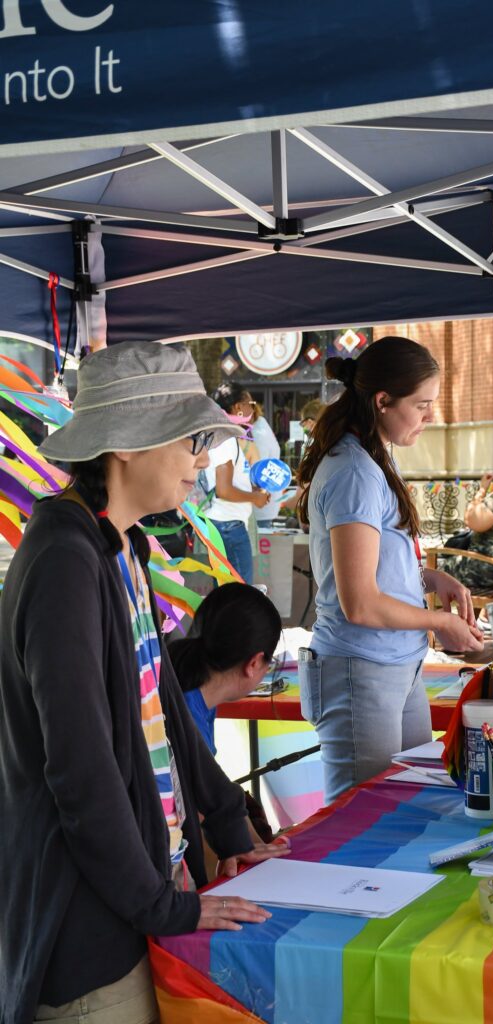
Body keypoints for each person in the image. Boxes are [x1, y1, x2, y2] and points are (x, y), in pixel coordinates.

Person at [0, 343, 287, 1024]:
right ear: (125, 444)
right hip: (87, 923)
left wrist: (232, 825)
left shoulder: (119, 544)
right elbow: (79, 766)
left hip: (136, 892)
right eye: (191, 440)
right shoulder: (64, 560)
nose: (200, 460)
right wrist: (155, 904)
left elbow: (164, 717)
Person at [296, 337, 484, 803]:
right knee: (361, 816)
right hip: (362, 667)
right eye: (421, 405)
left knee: (408, 805)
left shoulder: (376, 458)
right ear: (382, 401)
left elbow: (374, 567)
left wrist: (428, 578)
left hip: (396, 663)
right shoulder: (355, 471)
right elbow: (359, 601)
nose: (429, 417)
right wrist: (440, 622)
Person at [168, 582, 281, 841]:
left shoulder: (194, 696)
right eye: (269, 662)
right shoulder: (186, 711)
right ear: (253, 663)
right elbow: (194, 815)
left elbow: (212, 791)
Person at [205, 384, 270, 583]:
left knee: (229, 594)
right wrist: (255, 498)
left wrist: (252, 488)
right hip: (228, 527)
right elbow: (223, 490)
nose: (253, 409)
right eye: (250, 403)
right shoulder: (225, 439)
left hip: (224, 525)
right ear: (237, 408)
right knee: (239, 595)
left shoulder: (222, 436)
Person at [444, 450, 493, 593]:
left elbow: (472, 520)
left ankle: (433, 613)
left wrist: (482, 490)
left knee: (439, 574)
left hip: (491, 566)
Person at [248, 400, 284, 530]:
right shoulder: (262, 428)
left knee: (257, 544)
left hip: (260, 505)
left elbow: (257, 469)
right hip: (266, 502)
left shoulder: (258, 434)